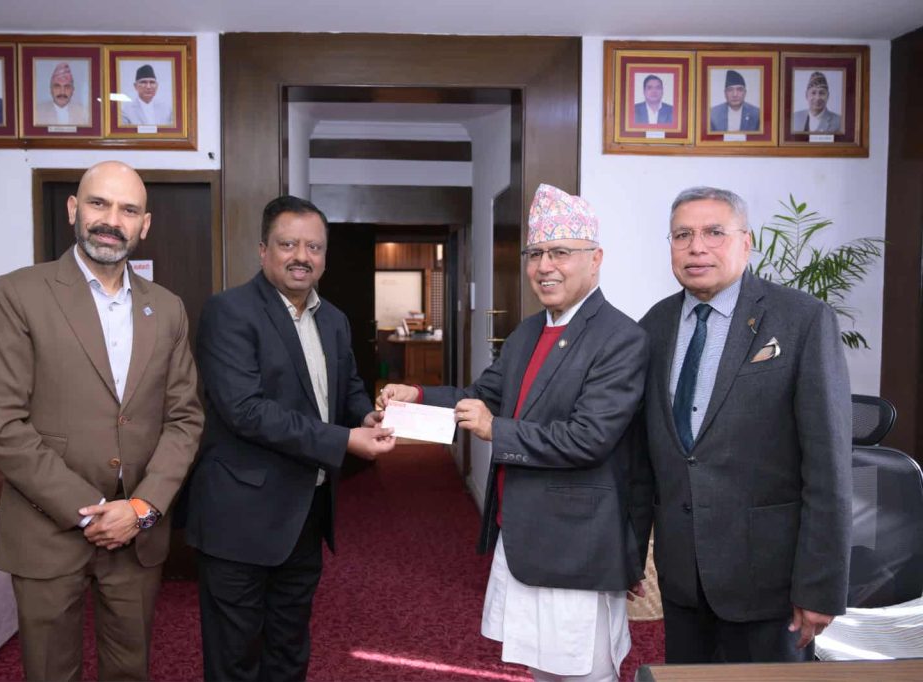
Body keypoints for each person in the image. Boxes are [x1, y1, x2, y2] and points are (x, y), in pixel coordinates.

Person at [381, 184, 649, 682]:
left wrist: (495, 431)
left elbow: (588, 438)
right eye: (536, 253)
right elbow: (480, 397)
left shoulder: (621, 338)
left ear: (595, 260)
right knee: (540, 670)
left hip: (576, 542)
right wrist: (415, 395)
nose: (545, 266)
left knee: (584, 672)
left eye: (560, 252)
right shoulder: (528, 331)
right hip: (524, 532)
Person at [0, 161, 204, 681]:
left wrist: (141, 509)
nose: (112, 220)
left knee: (130, 671)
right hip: (47, 528)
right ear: (74, 210)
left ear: (145, 225)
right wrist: (91, 512)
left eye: (128, 210)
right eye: (99, 203)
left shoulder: (167, 309)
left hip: (135, 533)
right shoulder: (18, 294)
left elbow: (185, 419)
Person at [630, 186, 852, 664]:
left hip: (769, 580)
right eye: (682, 235)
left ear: (746, 242)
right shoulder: (653, 326)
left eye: (714, 232)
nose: (697, 247)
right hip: (683, 576)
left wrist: (820, 586)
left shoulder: (802, 320)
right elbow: (643, 459)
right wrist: (630, 554)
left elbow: (829, 466)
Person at [184, 195, 396, 681]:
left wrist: (366, 415)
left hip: (305, 512)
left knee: (289, 648)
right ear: (263, 250)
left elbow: (348, 388)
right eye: (288, 244)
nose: (302, 256)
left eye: (314, 247)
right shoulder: (229, 311)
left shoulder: (333, 319)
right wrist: (343, 441)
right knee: (235, 658)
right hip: (240, 516)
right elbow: (246, 411)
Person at [35, 61, 88, 126]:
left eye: (67, 87)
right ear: (51, 89)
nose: (62, 92)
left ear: (72, 90)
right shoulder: (37, 112)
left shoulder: (84, 113)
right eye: (57, 86)